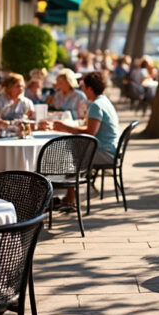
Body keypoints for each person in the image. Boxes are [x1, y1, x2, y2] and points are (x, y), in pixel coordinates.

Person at [46, 72, 120, 211]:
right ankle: (68, 196)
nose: (83, 90)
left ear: (90, 88)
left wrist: (65, 127)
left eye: (84, 87)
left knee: (66, 155)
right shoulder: (104, 101)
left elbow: (90, 133)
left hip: (105, 152)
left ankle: (69, 198)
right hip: (109, 149)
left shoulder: (96, 105)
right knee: (70, 151)